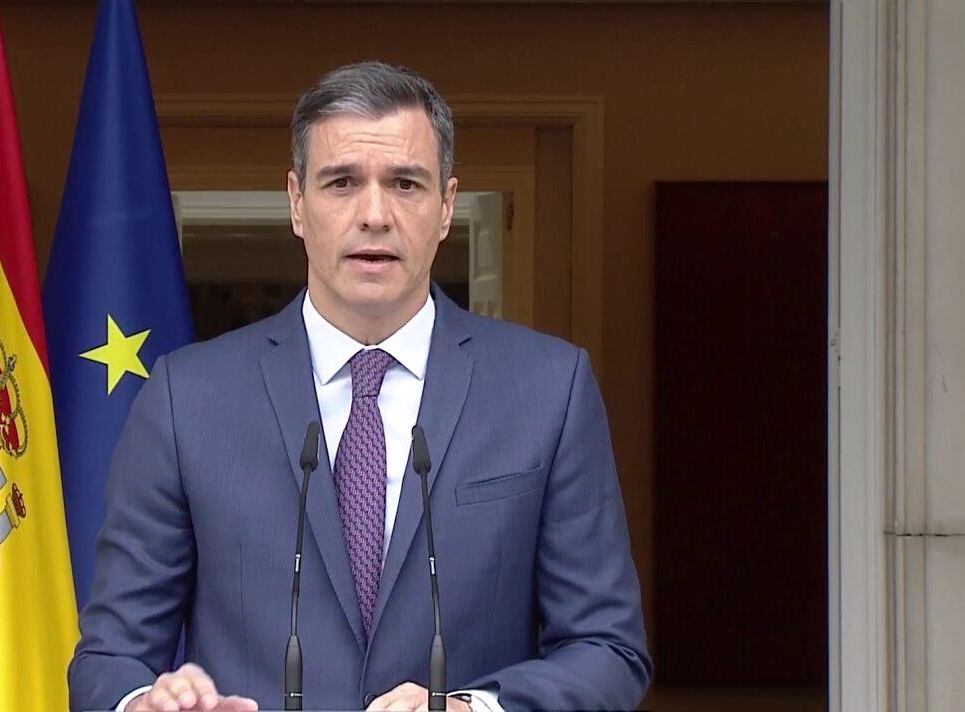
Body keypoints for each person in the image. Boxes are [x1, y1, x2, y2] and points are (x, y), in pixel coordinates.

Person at [68, 61, 650, 712]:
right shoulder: (186, 399)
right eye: (342, 182)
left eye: (406, 183)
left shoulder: (548, 390)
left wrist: (473, 709)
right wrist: (143, 703)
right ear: (296, 202)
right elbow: (108, 659)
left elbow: (609, 651)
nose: (374, 215)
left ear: (446, 207)